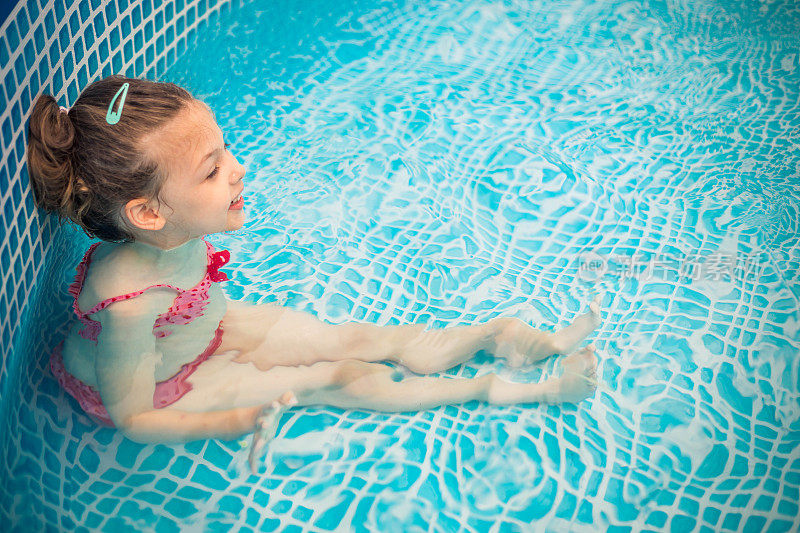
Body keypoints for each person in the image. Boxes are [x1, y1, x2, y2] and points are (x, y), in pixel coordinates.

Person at [27, 74, 601, 445]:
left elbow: (197, 298)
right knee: (342, 378)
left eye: (223, 149)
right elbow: (134, 418)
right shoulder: (130, 299)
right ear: (149, 214)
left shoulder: (170, 226)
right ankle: (503, 390)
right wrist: (234, 421)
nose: (238, 168)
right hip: (167, 385)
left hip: (205, 329)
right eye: (212, 169)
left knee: (352, 338)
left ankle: (495, 337)